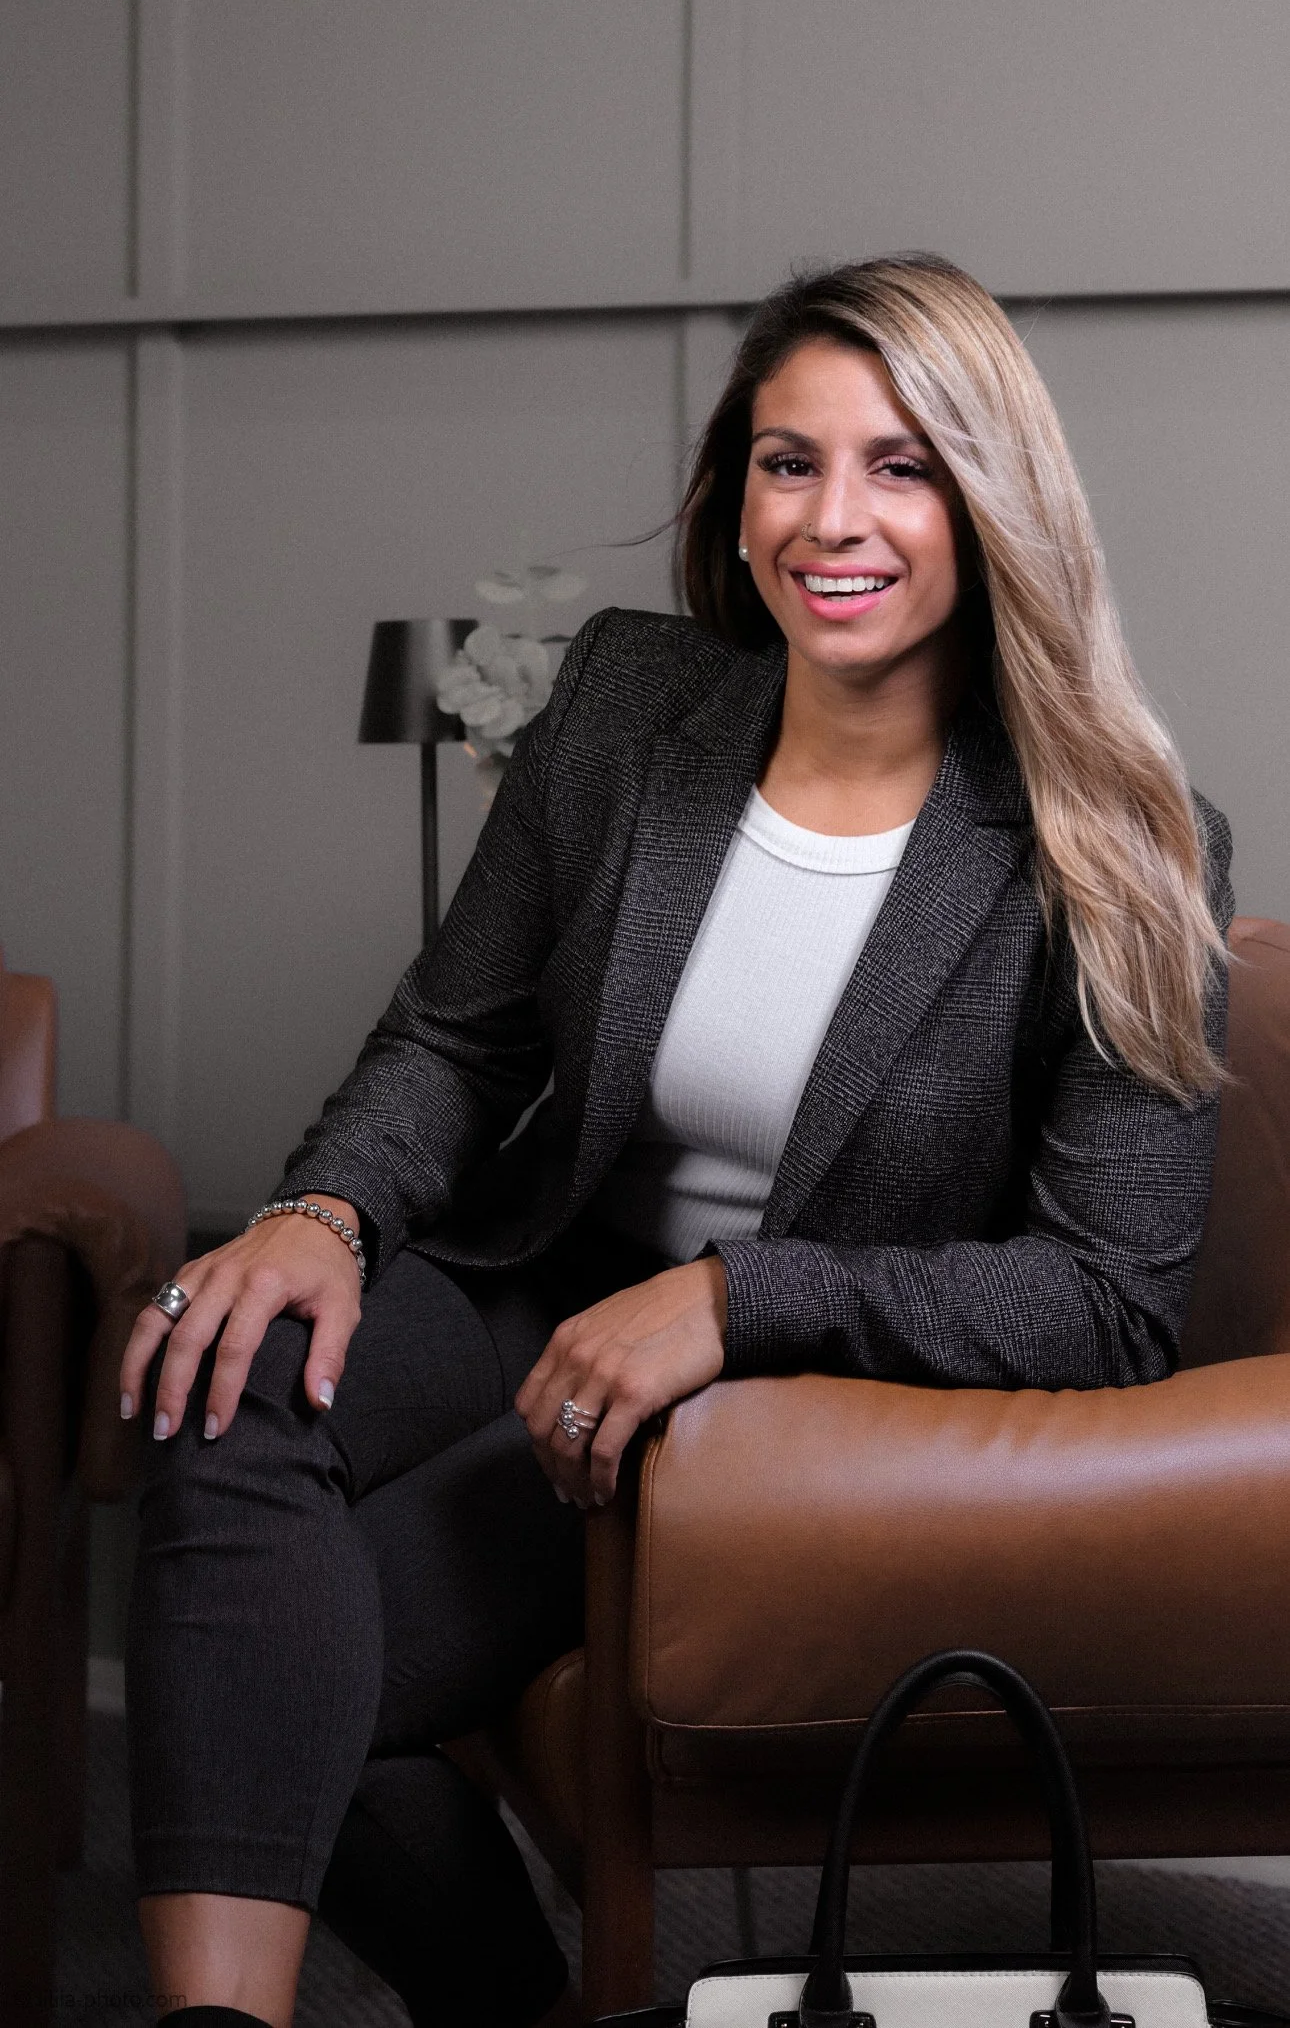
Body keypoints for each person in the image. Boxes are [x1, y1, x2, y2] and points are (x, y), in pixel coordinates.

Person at [119, 254, 1232, 2028]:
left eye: (899, 464)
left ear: (992, 498)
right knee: (218, 1352)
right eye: (788, 462)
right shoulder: (634, 707)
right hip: (532, 1274)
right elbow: (455, 1037)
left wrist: (736, 1299)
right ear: (734, 494)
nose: (830, 519)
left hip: (761, 1399)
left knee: (271, 1662)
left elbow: (1103, 1304)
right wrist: (318, 1213)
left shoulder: (1117, 846)